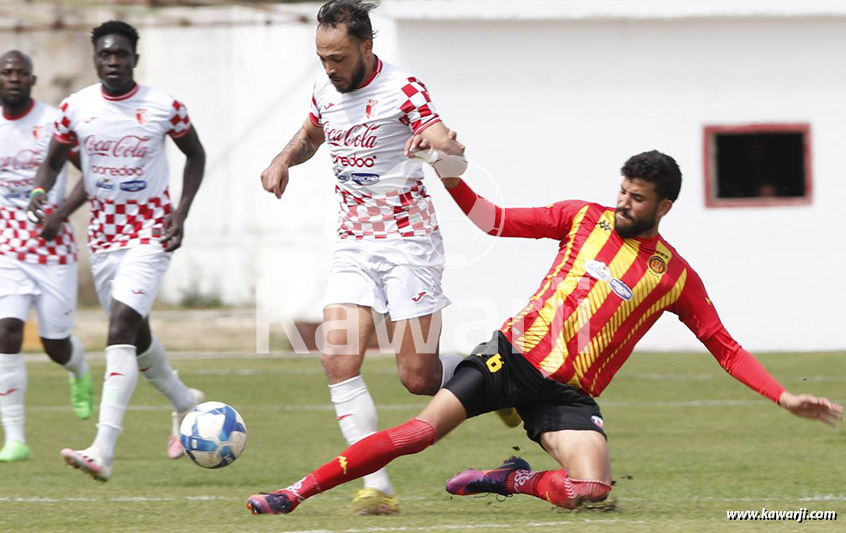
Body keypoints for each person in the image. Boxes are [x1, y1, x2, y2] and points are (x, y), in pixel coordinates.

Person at [245, 147, 843, 514]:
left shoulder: (674, 277)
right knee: (420, 433)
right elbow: (492, 219)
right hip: (510, 359)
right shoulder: (581, 218)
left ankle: (512, 479)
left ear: (664, 208)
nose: (622, 204)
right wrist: (449, 169)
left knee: (592, 492)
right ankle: (296, 493)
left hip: (567, 396)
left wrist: (784, 396)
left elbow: (725, 347)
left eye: (636, 199)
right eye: (622, 191)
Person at [258, 0, 467, 514]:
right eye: (322, 57)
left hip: (408, 244)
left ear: (367, 47)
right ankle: (378, 487)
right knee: (337, 358)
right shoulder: (324, 89)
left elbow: (452, 153)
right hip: (354, 244)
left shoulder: (404, 89)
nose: (329, 68)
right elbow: (312, 134)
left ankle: (493, 376)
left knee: (417, 378)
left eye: (338, 57)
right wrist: (283, 159)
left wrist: (437, 145)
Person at [28, 20, 206, 481]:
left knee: (120, 326)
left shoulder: (164, 106)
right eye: (105, 54)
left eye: (121, 54)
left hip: (150, 234)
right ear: (95, 59)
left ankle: (102, 449)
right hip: (104, 240)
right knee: (136, 335)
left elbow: (196, 155)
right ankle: (186, 403)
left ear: (134, 58)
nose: (113, 62)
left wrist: (180, 213)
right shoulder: (75, 109)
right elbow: (51, 162)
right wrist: (39, 195)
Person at [0, 50, 94, 463]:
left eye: (22, 73)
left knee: (55, 344)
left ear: (33, 80)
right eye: (7, 72)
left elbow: (92, 174)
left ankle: (78, 370)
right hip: (6, 249)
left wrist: (60, 214)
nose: (14, 78)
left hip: (53, 248)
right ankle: (16, 438)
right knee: (6, 333)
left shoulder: (52, 121)